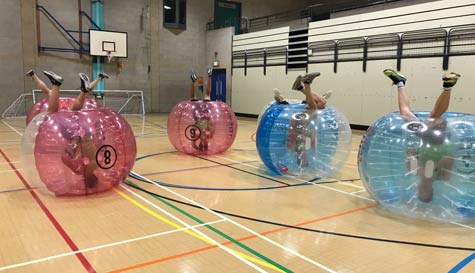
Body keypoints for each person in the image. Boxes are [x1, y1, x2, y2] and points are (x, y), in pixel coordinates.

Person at [383, 68, 461, 202]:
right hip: (439, 139)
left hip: (425, 137)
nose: (422, 188)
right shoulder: (443, 176)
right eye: (426, 191)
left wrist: (412, 160)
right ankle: (448, 86)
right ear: (432, 190)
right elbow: (450, 157)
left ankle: (400, 83)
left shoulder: (415, 171)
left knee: (405, 114)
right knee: (433, 117)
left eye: (420, 191)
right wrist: (435, 166)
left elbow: (411, 151)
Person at [26, 70, 100, 188]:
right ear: (86, 178)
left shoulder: (97, 163)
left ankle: (83, 91)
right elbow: (67, 155)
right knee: (52, 114)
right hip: (75, 134)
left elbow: (91, 143)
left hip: (84, 128)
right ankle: (56, 84)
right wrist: (72, 148)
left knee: (74, 111)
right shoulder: (81, 169)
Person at [285, 72, 326, 170]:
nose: (306, 158)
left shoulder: (296, 148)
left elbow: (295, 135)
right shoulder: (301, 148)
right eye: (306, 160)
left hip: (298, 122)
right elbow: (308, 134)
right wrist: (312, 137)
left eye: (304, 160)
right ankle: (300, 88)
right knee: (322, 103)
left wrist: (310, 138)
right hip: (301, 122)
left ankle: (306, 84)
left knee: (313, 108)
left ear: (301, 159)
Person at [189, 66, 215, 151]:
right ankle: (208, 76)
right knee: (206, 96)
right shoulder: (204, 136)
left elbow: (193, 143)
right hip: (204, 118)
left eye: (203, 143)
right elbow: (211, 129)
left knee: (196, 97)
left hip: (199, 118)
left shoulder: (198, 136)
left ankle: (196, 80)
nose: (204, 141)